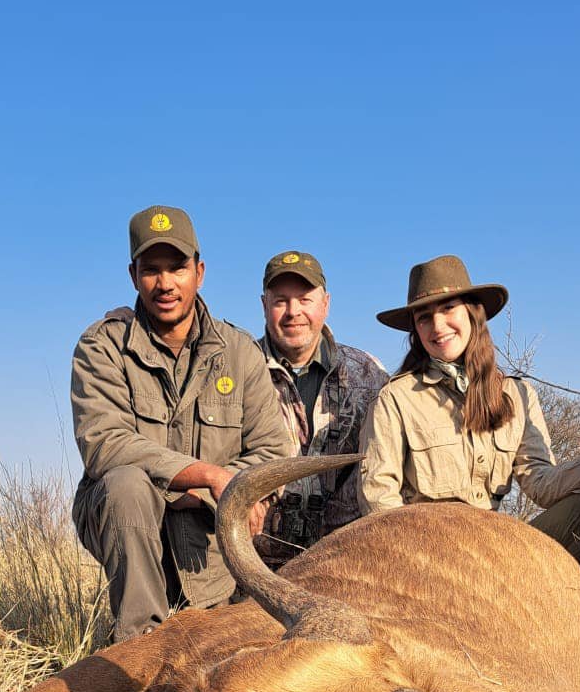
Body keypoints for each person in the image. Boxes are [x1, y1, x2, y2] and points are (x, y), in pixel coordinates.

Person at [71, 206, 289, 642]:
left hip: (210, 536)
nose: (165, 283)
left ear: (200, 272)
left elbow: (274, 452)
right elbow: (105, 445)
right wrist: (208, 477)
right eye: (151, 270)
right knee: (127, 485)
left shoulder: (240, 350)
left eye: (177, 268)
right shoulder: (102, 345)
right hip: (130, 516)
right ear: (134, 275)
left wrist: (207, 496)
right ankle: (137, 649)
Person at [358, 255, 580, 574]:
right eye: (424, 317)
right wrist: (422, 566)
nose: (438, 326)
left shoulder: (517, 394)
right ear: (416, 329)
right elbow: (379, 500)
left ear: (473, 313)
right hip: (432, 561)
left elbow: (543, 485)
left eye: (448, 309)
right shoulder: (395, 398)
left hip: (497, 553)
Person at [256, 250, 388, 569]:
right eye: (281, 301)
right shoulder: (241, 370)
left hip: (346, 563)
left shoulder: (369, 374)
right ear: (264, 305)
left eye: (304, 299)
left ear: (325, 304)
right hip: (256, 564)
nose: (293, 312)